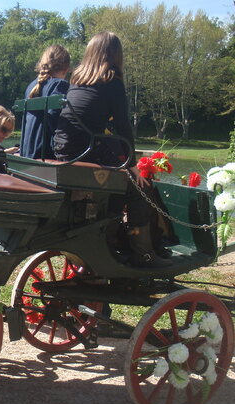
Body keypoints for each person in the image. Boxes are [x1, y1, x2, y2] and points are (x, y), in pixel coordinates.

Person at [53, 31, 171, 268]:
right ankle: (143, 253)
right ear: (115, 55)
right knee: (139, 190)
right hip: (83, 151)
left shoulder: (77, 79)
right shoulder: (112, 82)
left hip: (62, 148)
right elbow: (123, 126)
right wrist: (132, 165)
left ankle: (112, 240)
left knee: (121, 184)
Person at [20, 45, 70, 159]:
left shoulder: (31, 87)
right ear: (66, 69)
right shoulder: (60, 85)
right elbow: (57, 124)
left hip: (26, 154)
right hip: (44, 156)